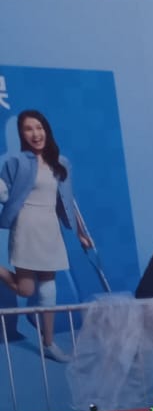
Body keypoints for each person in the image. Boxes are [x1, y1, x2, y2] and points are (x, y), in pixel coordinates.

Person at [0, 110, 93, 361]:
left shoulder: (60, 162)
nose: (35, 134)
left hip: (50, 228)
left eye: (39, 128)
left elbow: (69, 200)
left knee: (49, 290)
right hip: (26, 227)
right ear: (21, 134)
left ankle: (49, 343)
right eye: (28, 129)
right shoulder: (17, 161)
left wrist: (81, 233)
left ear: (46, 130)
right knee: (25, 289)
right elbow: (3, 189)